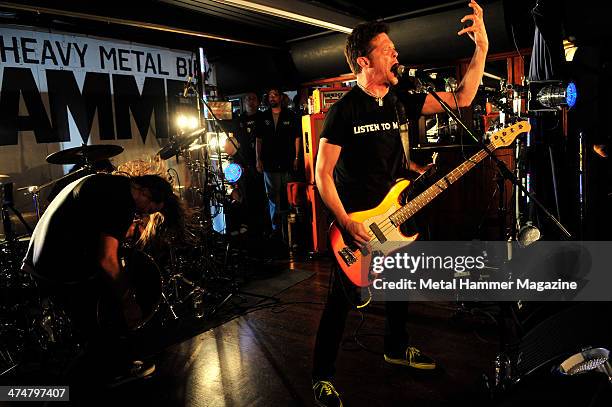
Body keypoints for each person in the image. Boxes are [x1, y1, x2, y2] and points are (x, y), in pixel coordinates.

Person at [311, 2, 488, 406]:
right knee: (338, 305)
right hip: (354, 226)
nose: (396, 54)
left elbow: (462, 97)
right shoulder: (342, 112)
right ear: (363, 60)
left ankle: (395, 346)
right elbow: (322, 174)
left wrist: (480, 49)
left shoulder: (401, 98)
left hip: (395, 213)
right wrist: (344, 220)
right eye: (386, 49)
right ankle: (322, 375)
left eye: (394, 49)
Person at [22, 173, 184, 384]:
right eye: (149, 209)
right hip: (58, 266)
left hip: (39, 260)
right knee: (105, 315)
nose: (144, 213)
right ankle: (113, 372)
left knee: (91, 325)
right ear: (144, 192)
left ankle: (98, 372)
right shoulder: (122, 201)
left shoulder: (108, 182)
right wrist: (129, 301)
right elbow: (107, 259)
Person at [255, 87, 301, 236]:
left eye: (275, 95)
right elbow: (259, 140)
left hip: (287, 161)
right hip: (269, 162)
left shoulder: (290, 115)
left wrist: (296, 158)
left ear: (281, 97)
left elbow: (297, 138)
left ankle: (291, 229)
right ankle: (276, 229)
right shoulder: (263, 116)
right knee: (272, 197)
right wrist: (258, 159)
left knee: (289, 196)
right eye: (270, 96)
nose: (272, 98)